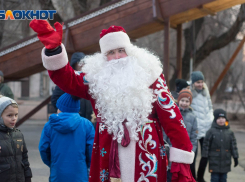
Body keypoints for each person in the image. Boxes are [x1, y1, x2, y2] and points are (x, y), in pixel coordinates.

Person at [30, 20, 195, 182]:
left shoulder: (150, 75)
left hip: (147, 153)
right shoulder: (96, 79)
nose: (117, 57)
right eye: (111, 52)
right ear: (104, 57)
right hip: (108, 154)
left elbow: (172, 116)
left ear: (130, 51)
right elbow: (67, 79)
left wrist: (181, 157)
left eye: (121, 50)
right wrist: (54, 51)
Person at [39, 93, 95, 182]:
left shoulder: (49, 125)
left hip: (57, 174)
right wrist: (85, 165)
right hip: (80, 174)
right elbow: (91, 150)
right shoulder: (87, 125)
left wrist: (53, 163)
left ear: (60, 108)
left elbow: (43, 149)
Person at [164, 89, 198, 181]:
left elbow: (194, 138)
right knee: (170, 175)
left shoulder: (193, 117)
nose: (184, 103)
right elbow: (166, 133)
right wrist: (166, 150)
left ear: (190, 102)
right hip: (171, 151)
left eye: (187, 101)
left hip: (184, 153)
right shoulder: (173, 114)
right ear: (178, 101)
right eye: (182, 100)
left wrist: (191, 152)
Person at [51, 52, 93, 121]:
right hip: (71, 118)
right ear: (74, 64)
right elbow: (55, 98)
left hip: (88, 118)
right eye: (79, 62)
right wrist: (64, 112)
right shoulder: (67, 80)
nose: (82, 65)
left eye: (84, 62)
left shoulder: (89, 78)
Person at [200, 109, 239, 182]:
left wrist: (235, 157)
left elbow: (233, 146)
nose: (221, 120)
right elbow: (206, 145)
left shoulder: (229, 132)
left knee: (223, 179)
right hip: (214, 161)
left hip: (225, 161)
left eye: (223, 118)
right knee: (215, 178)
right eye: (219, 118)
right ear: (215, 119)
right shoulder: (211, 131)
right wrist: (205, 156)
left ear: (226, 119)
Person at [0, 95, 32, 182]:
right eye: (9, 115)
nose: (14, 118)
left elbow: (24, 158)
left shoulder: (18, 134)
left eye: (16, 115)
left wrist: (28, 177)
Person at [190, 71, 213, 182]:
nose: (200, 84)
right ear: (193, 83)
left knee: (205, 155)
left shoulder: (206, 92)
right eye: (198, 82)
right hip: (195, 130)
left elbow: (210, 108)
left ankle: (200, 177)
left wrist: (210, 120)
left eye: (202, 82)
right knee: (193, 156)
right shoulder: (189, 93)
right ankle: (193, 177)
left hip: (206, 128)